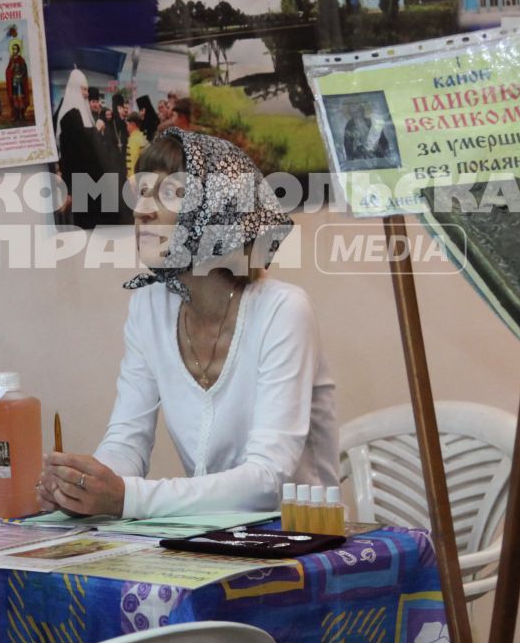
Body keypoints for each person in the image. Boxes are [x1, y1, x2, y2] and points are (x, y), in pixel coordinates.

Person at [38, 129, 337, 517]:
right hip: (208, 542)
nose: (142, 210)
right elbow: (127, 443)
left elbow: (267, 480)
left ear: (219, 209)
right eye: (141, 191)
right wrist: (83, 489)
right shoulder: (149, 307)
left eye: (168, 194)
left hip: (301, 545)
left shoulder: (283, 311)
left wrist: (127, 499)